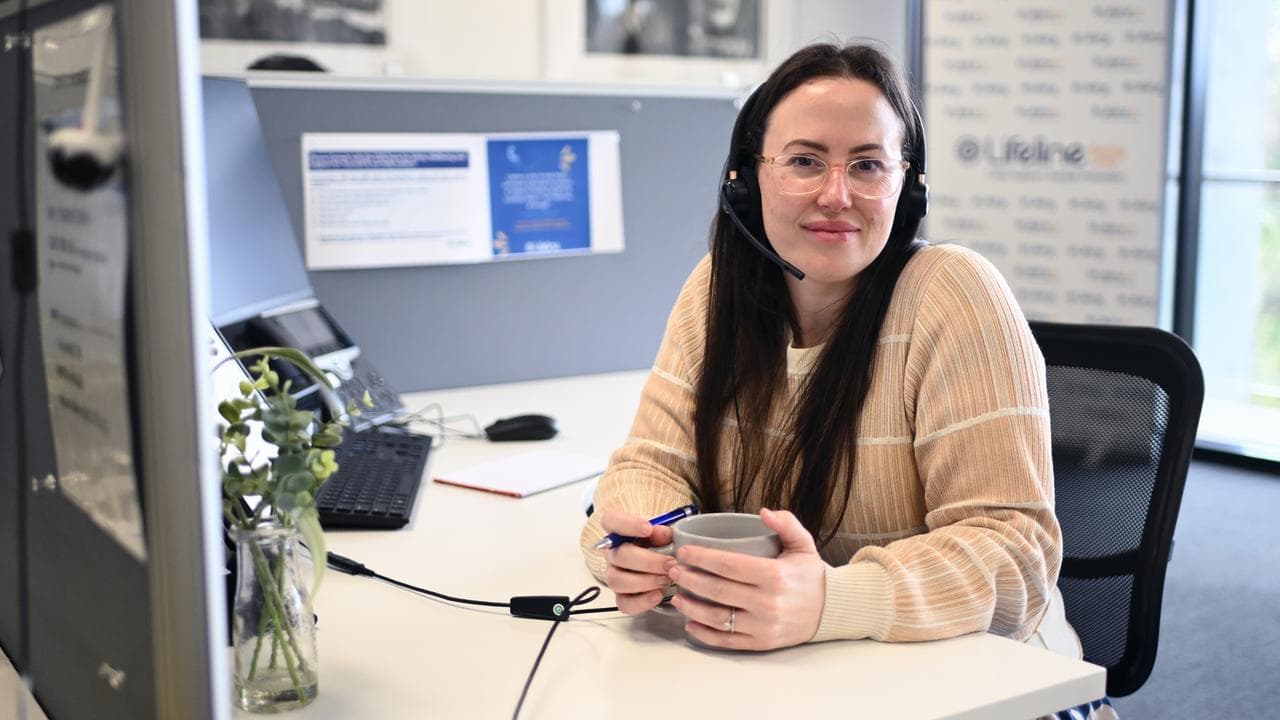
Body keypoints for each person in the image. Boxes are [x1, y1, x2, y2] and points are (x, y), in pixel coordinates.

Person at [578, 42, 1116, 720]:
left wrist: (832, 599)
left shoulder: (955, 295)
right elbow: (648, 466)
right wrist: (651, 550)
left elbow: (1015, 554)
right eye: (805, 161)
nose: (837, 196)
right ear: (747, 179)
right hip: (805, 681)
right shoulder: (718, 292)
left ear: (907, 184)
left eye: (867, 165)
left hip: (988, 690)